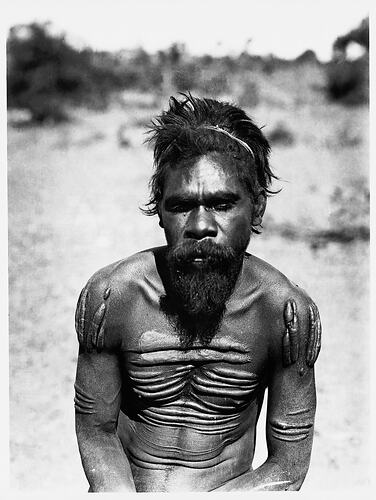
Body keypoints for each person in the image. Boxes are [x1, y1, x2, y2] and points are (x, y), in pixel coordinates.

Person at [74, 94, 321, 492]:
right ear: (160, 211)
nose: (200, 225)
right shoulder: (112, 297)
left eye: (222, 204)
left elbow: (288, 468)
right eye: (181, 206)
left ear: (256, 209)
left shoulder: (285, 313)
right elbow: (97, 432)